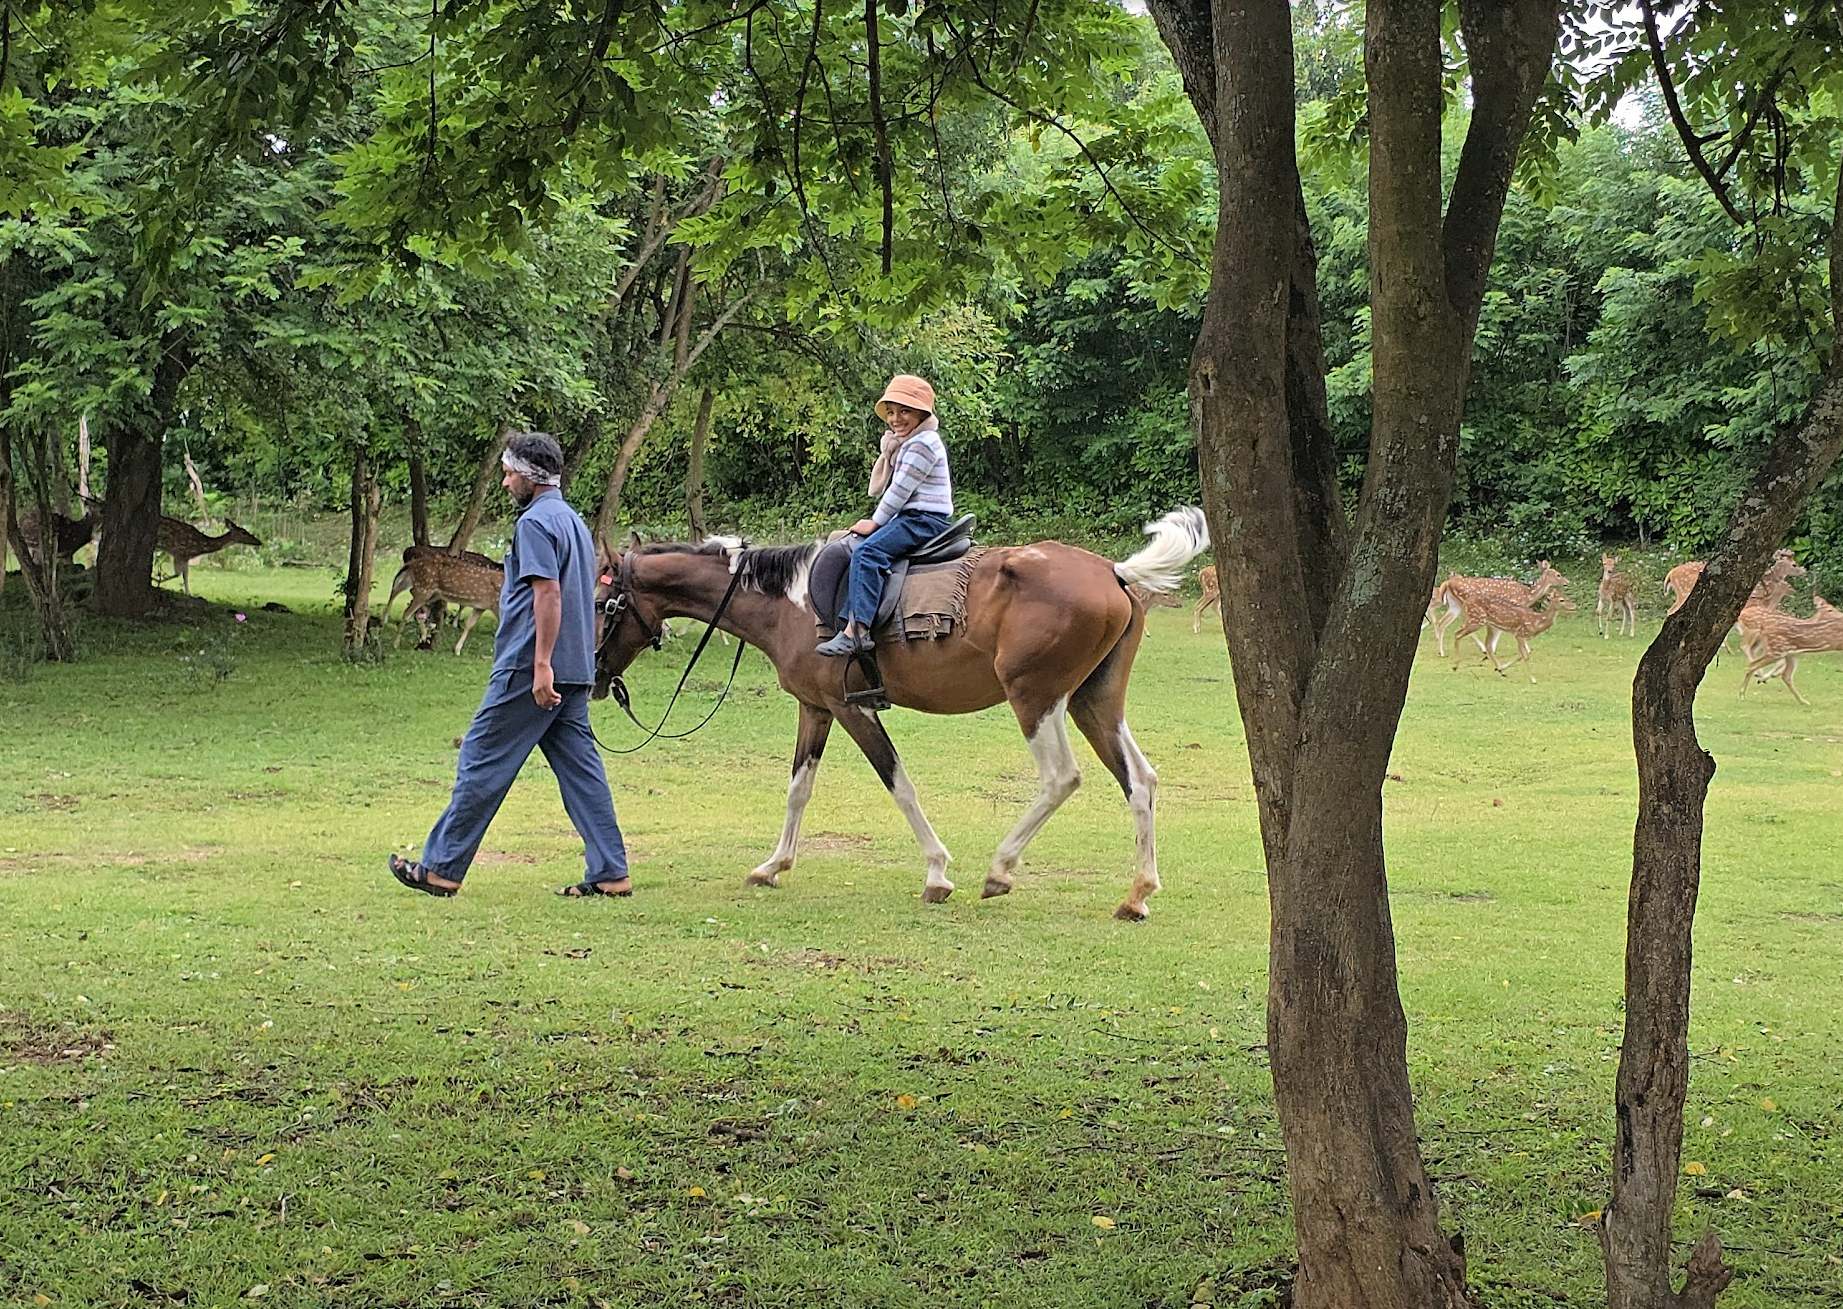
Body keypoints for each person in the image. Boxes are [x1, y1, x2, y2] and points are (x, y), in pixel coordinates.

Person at [387, 430, 631, 899]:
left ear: (529, 476)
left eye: (508, 473)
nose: (505, 482)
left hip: (529, 668)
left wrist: (540, 665)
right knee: (582, 774)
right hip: (576, 669)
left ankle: (441, 867)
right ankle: (610, 872)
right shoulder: (574, 522)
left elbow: (549, 594)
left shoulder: (536, 524)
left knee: (482, 757)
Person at [816, 374, 955, 656]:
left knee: (868, 552)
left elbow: (899, 491)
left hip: (922, 520)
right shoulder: (909, 443)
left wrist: (876, 522)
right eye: (890, 412)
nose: (895, 418)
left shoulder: (923, 444)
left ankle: (858, 630)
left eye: (904, 410)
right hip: (913, 516)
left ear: (922, 413)